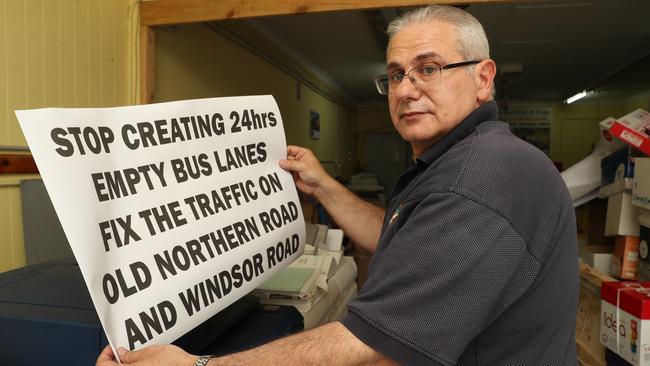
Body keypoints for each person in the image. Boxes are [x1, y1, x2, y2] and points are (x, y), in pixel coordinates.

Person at [97, 4, 578, 365]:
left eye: (429, 69)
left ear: (483, 78)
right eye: (395, 75)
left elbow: (371, 342)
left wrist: (201, 365)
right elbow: (402, 239)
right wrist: (324, 187)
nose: (407, 89)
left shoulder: (483, 176)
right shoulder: (458, 160)